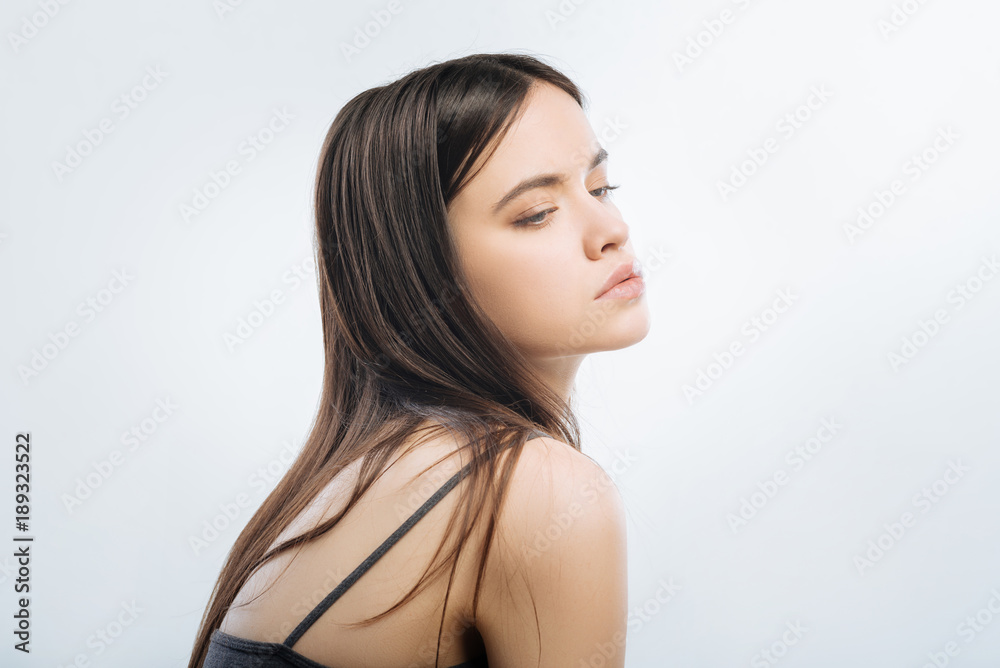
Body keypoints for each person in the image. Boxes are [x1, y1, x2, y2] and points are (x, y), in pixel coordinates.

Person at [189, 51, 650, 668]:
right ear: (423, 269)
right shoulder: (535, 490)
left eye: (600, 187)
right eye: (536, 213)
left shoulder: (362, 473)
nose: (611, 228)